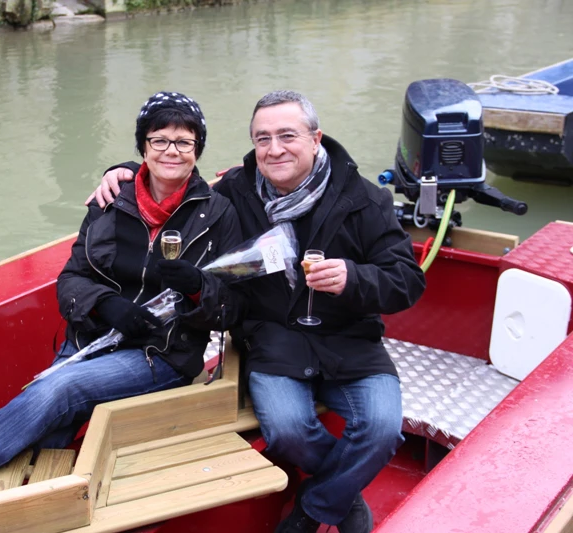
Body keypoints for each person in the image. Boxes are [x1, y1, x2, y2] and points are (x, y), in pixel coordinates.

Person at [0, 91, 245, 527]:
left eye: (183, 142)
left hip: (159, 353)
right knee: (51, 429)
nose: (171, 151)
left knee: (59, 392)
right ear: (142, 147)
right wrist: (108, 305)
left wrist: (197, 289)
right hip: (91, 339)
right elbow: (71, 280)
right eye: (159, 140)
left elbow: (230, 307)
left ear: (198, 150)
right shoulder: (110, 202)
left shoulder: (217, 214)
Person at [91, 90, 426, 533]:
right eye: (262, 138)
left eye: (287, 135)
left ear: (315, 139)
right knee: (287, 430)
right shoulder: (234, 192)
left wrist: (353, 278)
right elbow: (177, 181)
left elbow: (408, 281)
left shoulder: (366, 200)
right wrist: (125, 171)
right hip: (274, 340)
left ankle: (316, 507)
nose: (273, 149)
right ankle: (343, 502)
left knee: (383, 429)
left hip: (351, 340)